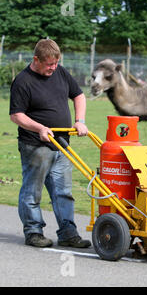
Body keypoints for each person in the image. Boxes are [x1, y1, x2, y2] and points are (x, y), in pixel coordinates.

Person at [9, 39, 91, 248]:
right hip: (36, 146)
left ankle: (68, 234)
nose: (53, 68)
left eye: (56, 64)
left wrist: (80, 121)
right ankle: (34, 232)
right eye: (49, 65)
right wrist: (40, 128)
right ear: (36, 59)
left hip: (61, 143)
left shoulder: (60, 72)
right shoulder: (23, 81)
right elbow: (17, 116)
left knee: (63, 192)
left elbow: (79, 95)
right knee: (32, 191)